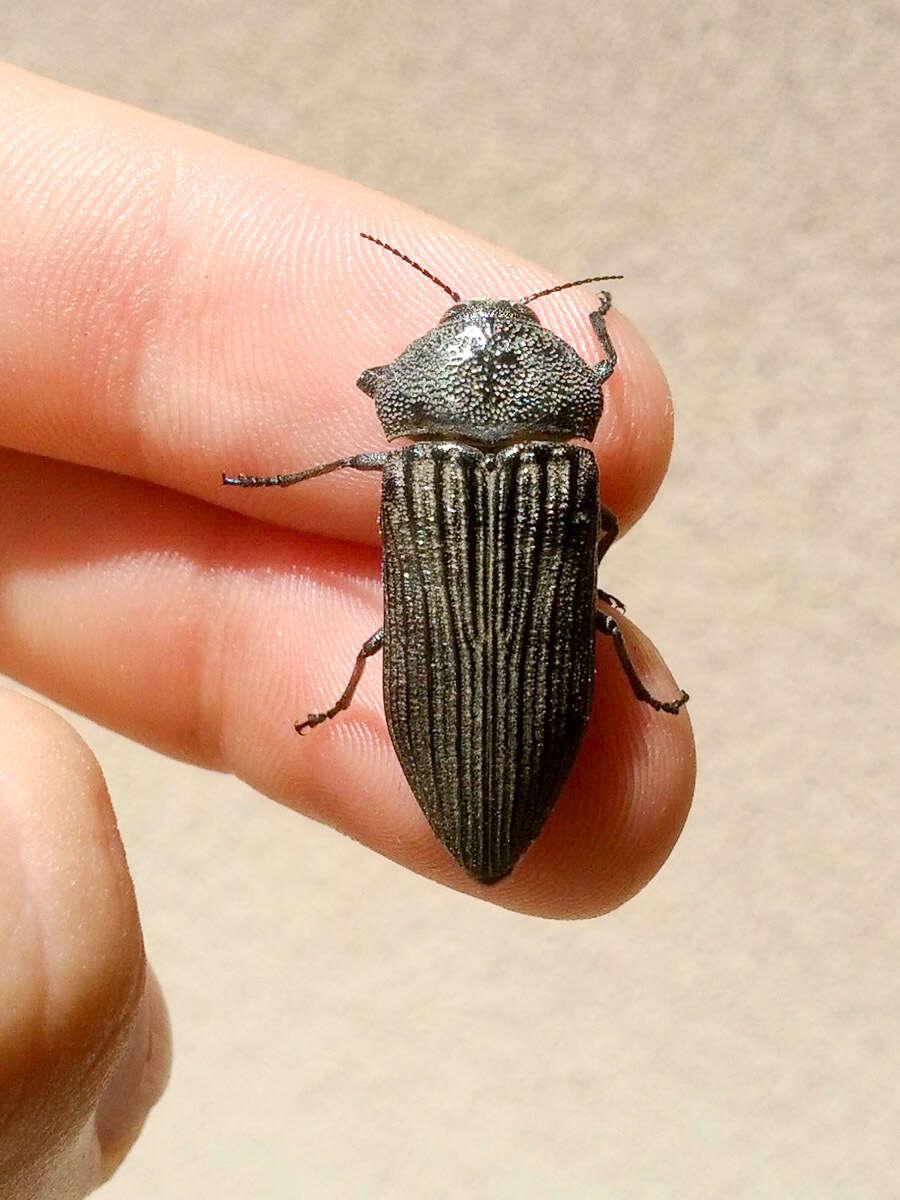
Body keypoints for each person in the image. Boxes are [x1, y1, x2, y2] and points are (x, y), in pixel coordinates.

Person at [0, 62, 695, 1195]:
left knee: (400, 639)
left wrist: (296, 474)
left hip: (457, 696)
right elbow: (605, 382)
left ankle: (398, 686)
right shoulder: (571, 478)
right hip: (528, 678)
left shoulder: (405, 453)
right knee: (583, 618)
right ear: (561, 386)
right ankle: (571, 655)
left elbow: (364, 429)